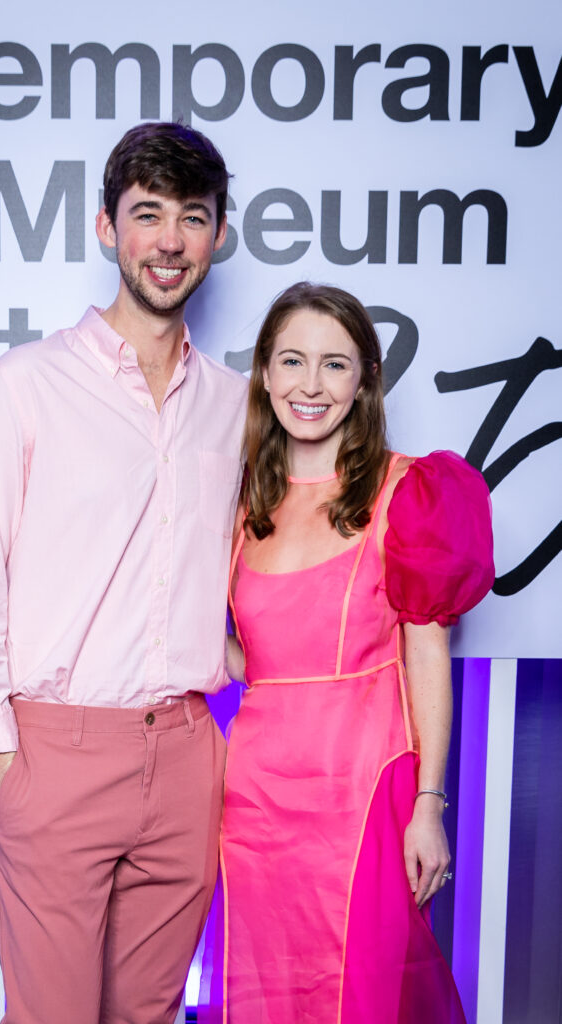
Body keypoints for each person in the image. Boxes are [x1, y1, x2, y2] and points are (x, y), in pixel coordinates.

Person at [0, 122, 247, 1024]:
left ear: (217, 236)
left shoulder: (233, 404)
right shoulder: (23, 384)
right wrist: (1, 760)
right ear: (108, 229)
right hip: (54, 755)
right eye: (147, 215)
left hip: (188, 754)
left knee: (148, 1015)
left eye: (192, 217)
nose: (170, 241)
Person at [220, 282, 494, 1023]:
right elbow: (257, 660)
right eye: (292, 361)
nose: (310, 385)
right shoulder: (240, 501)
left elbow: (426, 654)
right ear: (265, 375)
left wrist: (429, 807)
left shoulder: (411, 491)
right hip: (253, 801)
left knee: (367, 992)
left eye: (335, 364)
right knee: (264, 990)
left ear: (366, 379)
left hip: (365, 791)